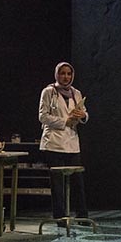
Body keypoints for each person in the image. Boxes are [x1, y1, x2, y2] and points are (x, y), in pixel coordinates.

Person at [39, 62, 89, 222]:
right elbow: (43, 116)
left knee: (78, 182)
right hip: (54, 143)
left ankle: (82, 215)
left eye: (69, 73)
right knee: (57, 184)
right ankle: (60, 217)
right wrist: (64, 121)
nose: (66, 77)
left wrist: (83, 116)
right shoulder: (49, 91)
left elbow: (84, 113)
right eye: (62, 73)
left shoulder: (76, 93)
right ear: (57, 75)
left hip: (72, 143)